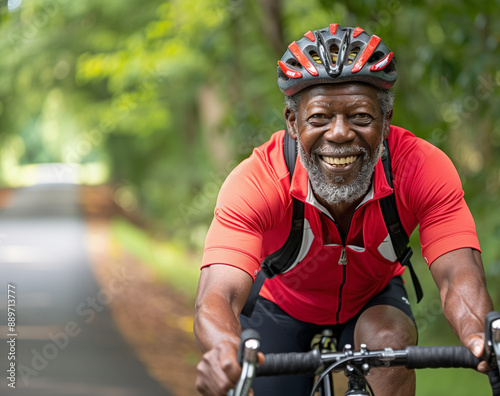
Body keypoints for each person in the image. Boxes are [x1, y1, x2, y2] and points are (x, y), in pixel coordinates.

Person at [193, 23, 494, 396]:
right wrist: (223, 346)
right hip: (281, 304)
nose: (339, 134)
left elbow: (457, 278)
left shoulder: (421, 168)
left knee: (390, 344)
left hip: (372, 299)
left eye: (361, 117)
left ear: (385, 123)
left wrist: (481, 337)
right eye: (319, 117)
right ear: (292, 122)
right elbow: (217, 295)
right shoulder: (257, 181)